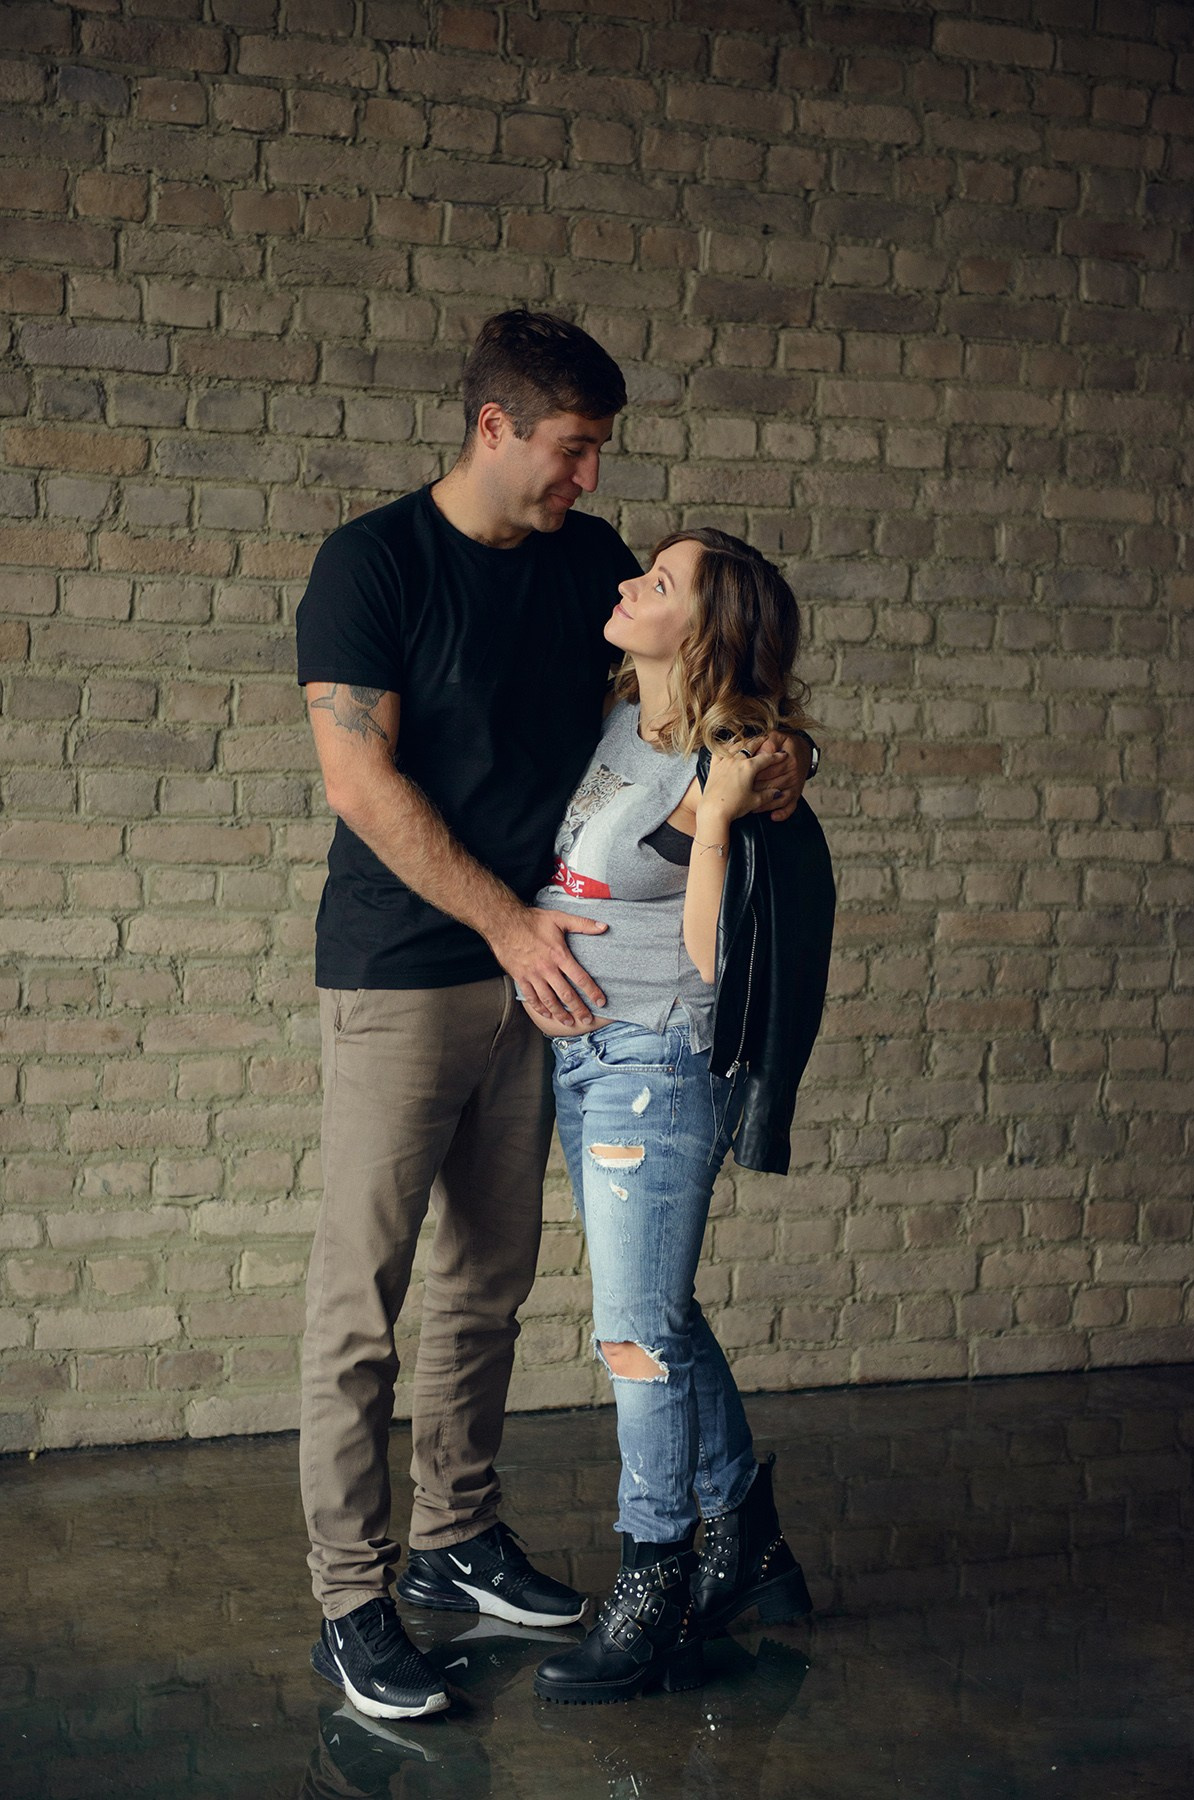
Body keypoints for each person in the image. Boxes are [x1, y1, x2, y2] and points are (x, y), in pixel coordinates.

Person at [294, 311, 812, 1723]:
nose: (591, 481)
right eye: (573, 450)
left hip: (553, 992)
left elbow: (699, 690)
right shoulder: (373, 565)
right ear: (494, 428)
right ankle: (353, 1598)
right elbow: (360, 784)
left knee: (488, 1285)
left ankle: (456, 1538)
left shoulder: (586, 563)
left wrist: (779, 760)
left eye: (599, 454)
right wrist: (508, 925)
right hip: (408, 970)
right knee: (362, 1299)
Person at [528, 529, 836, 1706]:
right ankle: (746, 1537)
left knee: (633, 1338)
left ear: (703, 630)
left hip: (652, 1068)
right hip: (586, 1058)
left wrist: (716, 815)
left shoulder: (731, 760)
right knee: (660, 1313)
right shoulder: (624, 716)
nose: (627, 585)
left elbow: (713, 956)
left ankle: (651, 1577)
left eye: (657, 584)